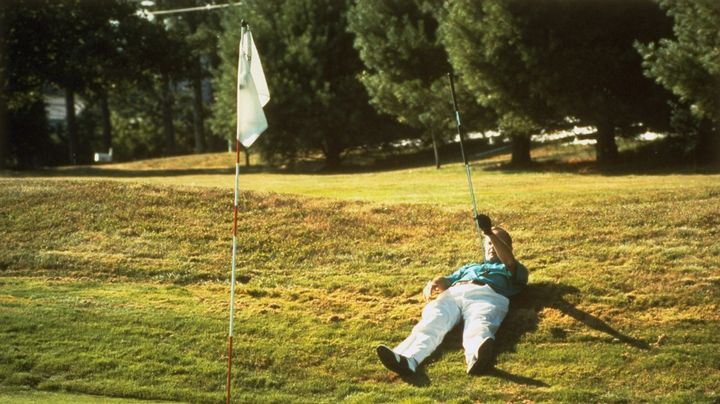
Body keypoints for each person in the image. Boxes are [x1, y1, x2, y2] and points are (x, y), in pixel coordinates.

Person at [376, 214, 529, 376]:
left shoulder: (514, 268)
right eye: (489, 243)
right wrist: (434, 282)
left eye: (498, 243)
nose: (492, 247)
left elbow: (510, 262)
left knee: (479, 322)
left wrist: (489, 232)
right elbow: (448, 281)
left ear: (508, 248)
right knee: (433, 320)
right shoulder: (471, 267)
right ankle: (407, 359)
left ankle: (477, 356)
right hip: (455, 293)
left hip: (487, 295)